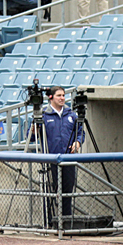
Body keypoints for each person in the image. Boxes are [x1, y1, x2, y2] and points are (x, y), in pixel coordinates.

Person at [34, 86, 85, 221]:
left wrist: (78, 142)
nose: (62, 98)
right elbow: (32, 136)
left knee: (67, 191)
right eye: (59, 95)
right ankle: (50, 221)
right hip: (51, 160)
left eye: (63, 95)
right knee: (51, 191)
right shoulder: (43, 114)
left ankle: (66, 221)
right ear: (51, 97)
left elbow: (80, 132)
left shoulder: (71, 115)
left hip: (68, 159)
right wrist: (34, 129)